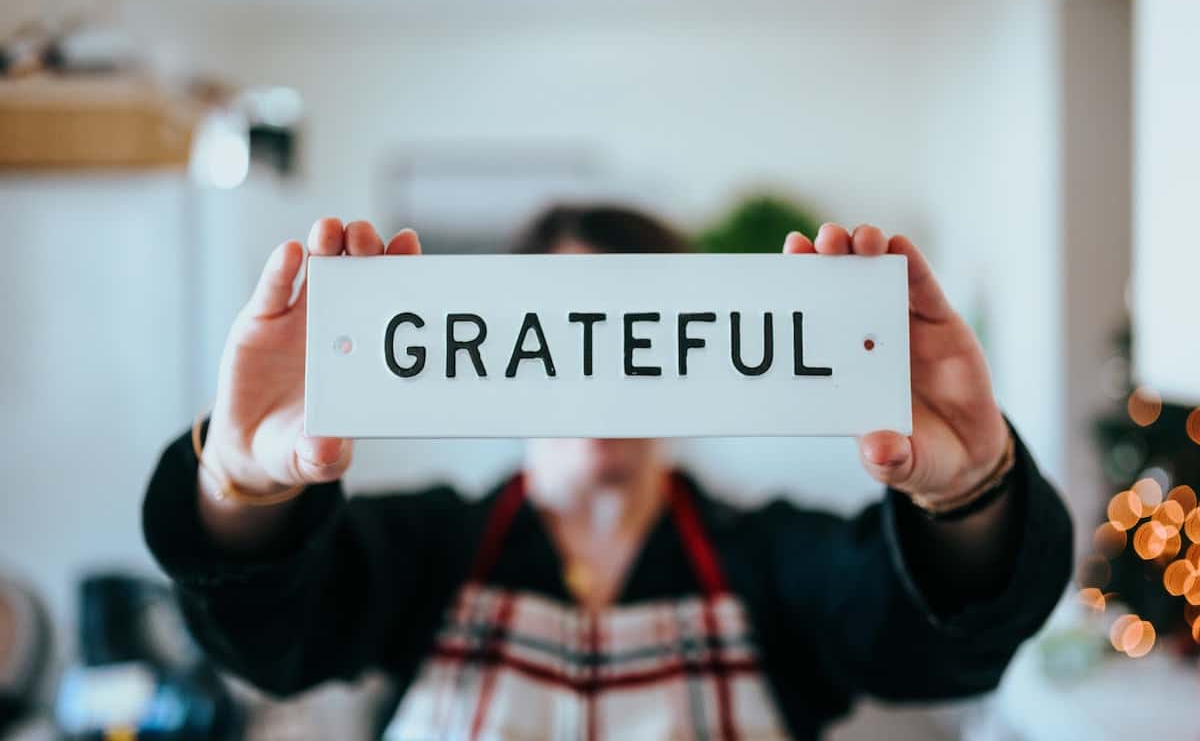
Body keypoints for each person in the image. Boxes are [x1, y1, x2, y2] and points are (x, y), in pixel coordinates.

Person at [143, 206, 1072, 740]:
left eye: (642, 336)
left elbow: (935, 648)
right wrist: (244, 484)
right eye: (577, 328)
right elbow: (273, 636)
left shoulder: (775, 559)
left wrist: (970, 490)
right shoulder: (427, 546)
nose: (607, 375)